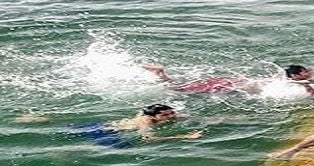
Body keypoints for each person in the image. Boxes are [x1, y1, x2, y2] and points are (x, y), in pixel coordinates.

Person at [69, 104, 202, 148]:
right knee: (122, 148)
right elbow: (148, 139)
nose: (171, 116)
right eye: (165, 115)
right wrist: (184, 136)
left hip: (101, 125)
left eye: (172, 113)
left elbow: (196, 118)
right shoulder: (146, 122)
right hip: (104, 131)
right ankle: (67, 152)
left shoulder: (152, 115)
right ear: (152, 117)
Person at [142, 64, 264, 94]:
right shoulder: (274, 88)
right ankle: (160, 73)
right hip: (223, 86)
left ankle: (160, 73)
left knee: (181, 84)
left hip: (228, 81)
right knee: (174, 88)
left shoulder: (269, 82)